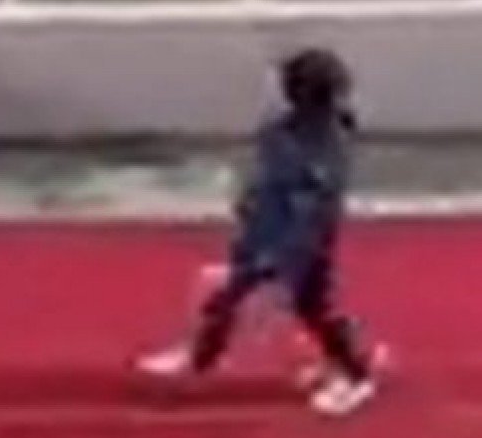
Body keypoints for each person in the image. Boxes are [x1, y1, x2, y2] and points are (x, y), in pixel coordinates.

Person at [139, 48, 383, 417]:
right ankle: (202, 355)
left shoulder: (325, 144)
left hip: (299, 237)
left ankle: (357, 375)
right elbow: (267, 176)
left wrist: (289, 252)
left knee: (311, 307)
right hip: (266, 226)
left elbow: (315, 205)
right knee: (228, 292)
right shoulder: (281, 129)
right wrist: (251, 206)